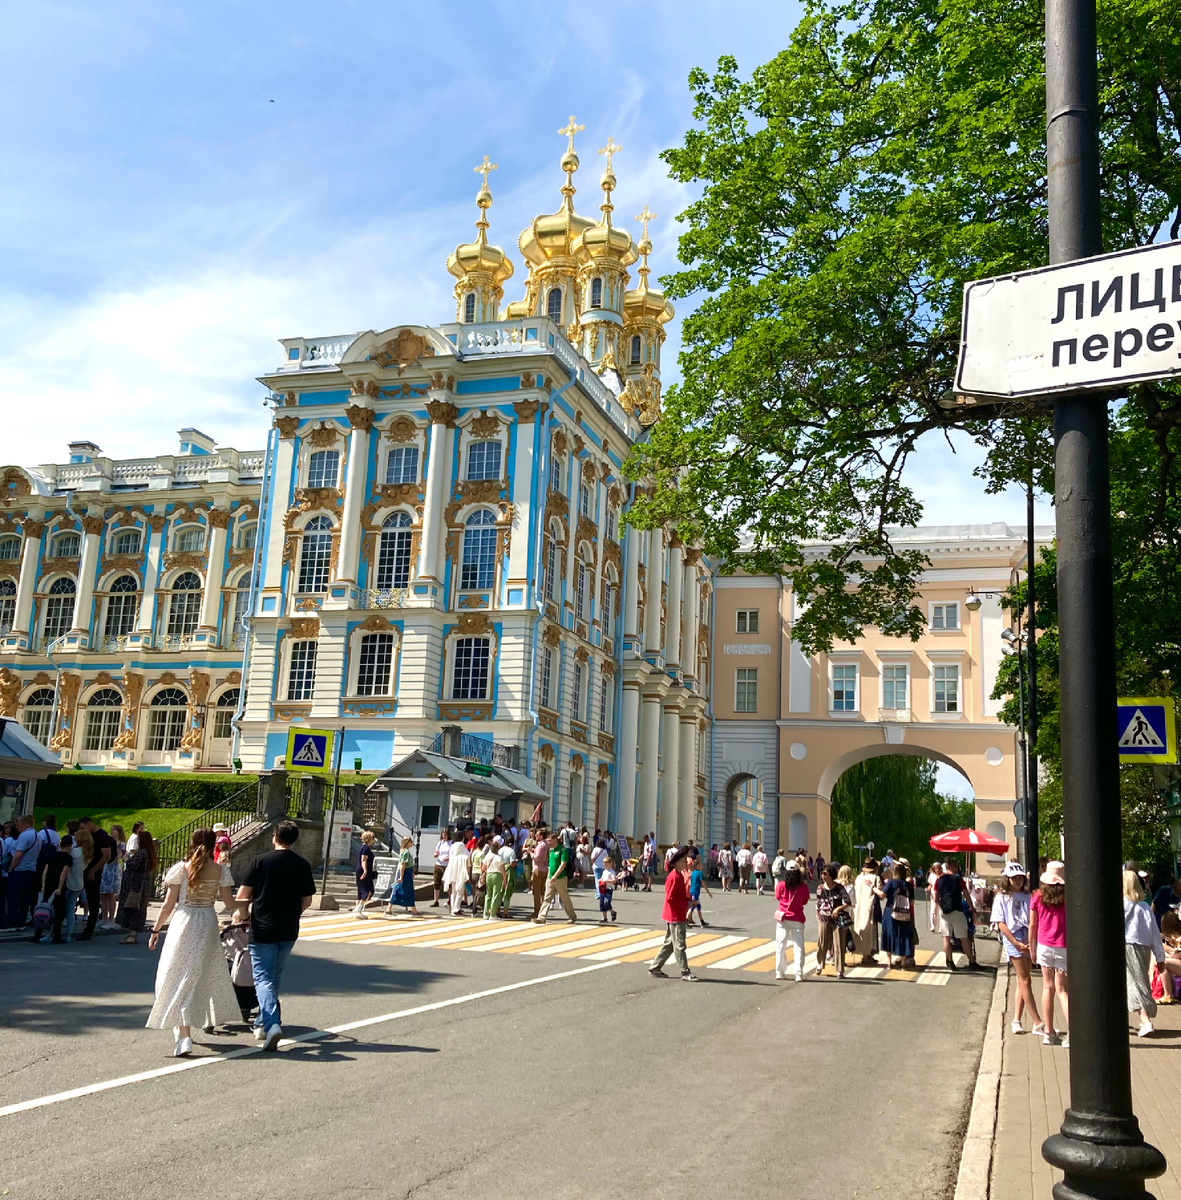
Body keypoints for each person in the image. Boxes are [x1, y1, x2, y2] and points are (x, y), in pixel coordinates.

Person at [147, 829, 239, 1057]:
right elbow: (229, 903)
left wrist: (156, 929)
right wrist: (247, 902)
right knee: (198, 976)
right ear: (213, 846)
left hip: (184, 921)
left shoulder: (181, 869)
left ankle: (184, 1035)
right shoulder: (221, 870)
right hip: (207, 922)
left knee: (175, 974)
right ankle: (187, 1029)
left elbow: (168, 905)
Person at [234, 820, 316, 1052]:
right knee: (274, 977)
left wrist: (243, 915)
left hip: (262, 928)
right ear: (294, 839)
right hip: (289, 929)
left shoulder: (260, 861)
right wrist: (294, 914)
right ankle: (261, 1022)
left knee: (262, 978)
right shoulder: (302, 864)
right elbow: (307, 899)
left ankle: (271, 1024)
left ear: (274, 837)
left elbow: (243, 895)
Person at [991, 862, 1043, 1035]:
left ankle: (1017, 1020)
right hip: (1013, 938)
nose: (1018, 880)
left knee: (1023, 981)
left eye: (1020, 877)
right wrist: (1014, 942)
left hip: (1028, 937)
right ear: (1008, 879)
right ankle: (1037, 1021)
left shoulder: (1028, 896)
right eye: (1014, 878)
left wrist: (1032, 940)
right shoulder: (1001, 897)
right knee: (1025, 979)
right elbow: (1000, 923)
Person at [1030, 860, 1069, 1047]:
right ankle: (1073, 1033)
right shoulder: (1068, 897)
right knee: (1062, 990)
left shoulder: (1037, 896)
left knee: (1047, 988)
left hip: (1044, 945)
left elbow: (1032, 925)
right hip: (1063, 945)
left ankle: (1049, 1032)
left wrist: (1032, 948)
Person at [1123, 869, 1166, 1038]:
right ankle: (1143, 1017)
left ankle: (1145, 1019)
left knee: (1134, 982)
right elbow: (1155, 932)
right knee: (1139, 980)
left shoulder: (1123, 905)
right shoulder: (1145, 907)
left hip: (1128, 945)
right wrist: (1160, 956)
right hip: (1144, 947)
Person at [649, 847, 697, 981]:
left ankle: (655, 967)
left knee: (670, 944)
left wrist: (689, 901)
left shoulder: (679, 875)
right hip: (675, 915)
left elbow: (679, 895)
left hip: (676, 914)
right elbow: (670, 898)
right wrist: (686, 904)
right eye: (682, 860)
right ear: (676, 863)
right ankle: (685, 972)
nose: (685, 863)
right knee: (680, 944)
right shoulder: (674, 877)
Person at [935, 859, 979, 971]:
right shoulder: (958, 880)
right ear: (953, 867)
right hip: (957, 911)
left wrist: (942, 906)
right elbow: (966, 895)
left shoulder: (939, 880)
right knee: (964, 938)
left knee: (946, 937)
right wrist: (972, 907)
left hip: (944, 912)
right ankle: (972, 962)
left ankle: (950, 962)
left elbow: (935, 898)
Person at [117, 830, 157, 944]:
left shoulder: (142, 852)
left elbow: (133, 865)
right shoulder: (148, 852)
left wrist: (125, 857)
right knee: (137, 907)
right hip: (141, 884)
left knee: (134, 906)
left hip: (136, 885)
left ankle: (133, 935)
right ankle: (131, 933)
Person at [77, 817, 113, 940]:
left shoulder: (101, 836)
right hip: (85, 869)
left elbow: (106, 856)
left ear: (89, 824)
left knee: (92, 900)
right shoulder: (91, 836)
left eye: (83, 827)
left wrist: (94, 870)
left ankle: (89, 930)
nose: (83, 830)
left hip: (93, 872)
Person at [774, 861, 811, 981]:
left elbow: (778, 897)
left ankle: (779, 972)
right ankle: (798, 973)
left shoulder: (781, 885)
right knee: (798, 946)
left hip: (783, 918)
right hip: (798, 919)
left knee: (780, 945)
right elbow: (805, 901)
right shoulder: (803, 887)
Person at [2, 815, 39, 929]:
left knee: (13, 896)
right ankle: (22, 919)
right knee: (25, 897)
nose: (17, 828)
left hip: (19, 869)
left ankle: (12, 920)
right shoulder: (38, 836)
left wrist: (10, 868)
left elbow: (18, 855)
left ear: (24, 824)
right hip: (31, 869)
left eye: (18, 825)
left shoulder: (24, 836)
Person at [815, 865, 851, 978]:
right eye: (822, 873)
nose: (823, 876)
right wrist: (818, 915)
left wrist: (838, 909)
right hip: (824, 918)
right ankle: (819, 964)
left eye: (825, 874)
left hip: (837, 919)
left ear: (831, 875)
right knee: (822, 943)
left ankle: (840, 970)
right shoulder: (820, 888)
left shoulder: (839, 888)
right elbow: (818, 903)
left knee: (839, 944)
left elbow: (848, 901)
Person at [882, 860, 917, 969]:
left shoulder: (891, 883)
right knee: (903, 936)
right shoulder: (908, 885)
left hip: (890, 912)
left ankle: (889, 961)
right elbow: (912, 902)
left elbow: (882, 895)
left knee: (889, 934)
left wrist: (873, 888)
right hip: (905, 914)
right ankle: (903, 962)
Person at [40, 834, 75, 945]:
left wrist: (43, 885)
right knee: (59, 913)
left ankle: (39, 931)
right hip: (59, 886)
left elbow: (45, 870)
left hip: (48, 884)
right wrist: (59, 888)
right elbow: (64, 873)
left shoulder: (52, 855)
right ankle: (56, 936)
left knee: (43, 909)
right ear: (70, 846)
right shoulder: (68, 858)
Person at [536, 832, 577, 924]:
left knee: (564, 898)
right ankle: (541, 917)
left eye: (550, 840)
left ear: (555, 840)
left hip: (560, 878)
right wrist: (549, 876)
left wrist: (555, 875)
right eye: (548, 841)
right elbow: (550, 865)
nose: (549, 842)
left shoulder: (563, 850)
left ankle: (572, 916)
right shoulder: (551, 851)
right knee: (547, 898)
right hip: (550, 878)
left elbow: (563, 864)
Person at [852, 858, 885, 965]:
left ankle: (863, 953)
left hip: (858, 906)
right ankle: (867, 955)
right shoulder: (876, 878)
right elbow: (880, 895)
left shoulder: (858, 878)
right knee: (870, 931)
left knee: (860, 929)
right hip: (870, 906)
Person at [99, 823, 126, 929]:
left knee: (110, 894)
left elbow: (117, 855)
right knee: (102, 894)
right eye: (111, 829)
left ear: (119, 832)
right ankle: (104, 918)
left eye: (114, 830)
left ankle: (111, 919)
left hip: (113, 868)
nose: (112, 831)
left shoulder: (121, 844)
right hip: (105, 867)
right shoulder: (108, 842)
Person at [388, 835, 418, 915]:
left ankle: (389, 907)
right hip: (406, 873)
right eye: (411, 842)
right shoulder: (406, 852)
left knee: (400, 890)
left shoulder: (403, 851)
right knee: (407, 890)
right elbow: (403, 864)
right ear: (407, 843)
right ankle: (413, 909)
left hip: (407, 872)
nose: (412, 843)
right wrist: (401, 876)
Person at [481, 838, 508, 920]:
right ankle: (492, 914)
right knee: (495, 895)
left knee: (488, 895)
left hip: (488, 874)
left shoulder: (487, 856)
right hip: (497, 875)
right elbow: (503, 869)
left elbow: (483, 867)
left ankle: (485, 913)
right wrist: (505, 879)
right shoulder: (499, 857)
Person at [443, 837, 471, 916]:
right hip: (461, 876)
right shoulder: (465, 857)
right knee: (460, 892)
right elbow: (468, 867)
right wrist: (468, 876)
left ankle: (453, 909)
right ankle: (456, 908)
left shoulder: (453, 858)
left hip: (453, 875)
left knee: (453, 892)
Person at [354, 830, 377, 918]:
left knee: (360, 891)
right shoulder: (366, 848)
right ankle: (358, 908)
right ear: (369, 839)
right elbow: (364, 860)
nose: (373, 840)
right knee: (368, 891)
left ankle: (358, 912)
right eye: (372, 838)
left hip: (359, 870)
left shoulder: (362, 847)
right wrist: (365, 870)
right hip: (364, 871)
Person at [686, 854, 712, 927]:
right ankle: (686, 920)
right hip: (696, 893)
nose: (702, 866)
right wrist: (708, 892)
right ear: (697, 866)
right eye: (700, 865)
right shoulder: (700, 873)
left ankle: (702, 921)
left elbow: (690, 882)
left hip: (692, 891)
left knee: (698, 907)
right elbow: (703, 883)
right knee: (692, 907)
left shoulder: (692, 873)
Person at [530, 830, 549, 920]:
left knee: (536, 892)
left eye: (537, 835)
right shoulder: (546, 844)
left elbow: (536, 858)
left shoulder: (541, 845)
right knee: (542, 891)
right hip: (544, 869)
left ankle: (537, 911)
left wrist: (531, 853)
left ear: (541, 836)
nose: (535, 836)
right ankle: (541, 910)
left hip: (538, 869)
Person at [432, 829, 451, 907]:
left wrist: (449, 858)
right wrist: (436, 854)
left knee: (446, 882)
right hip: (439, 863)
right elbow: (436, 851)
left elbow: (452, 853)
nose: (444, 836)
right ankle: (436, 901)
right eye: (443, 835)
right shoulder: (440, 843)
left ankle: (451, 899)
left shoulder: (451, 843)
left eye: (445, 835)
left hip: (447, 865)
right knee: (436, 882)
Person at [598, 859, 618, 923]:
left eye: (607, 863)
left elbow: (614, 880)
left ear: (610, 864)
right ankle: (604, 917)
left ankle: (612, 912)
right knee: (602, 903)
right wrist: (600, 880)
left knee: (606, 902)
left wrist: (606, 881)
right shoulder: (604, 871)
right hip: (603, 888)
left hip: (608, 889)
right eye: (604, 864)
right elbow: (602, 878)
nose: (605, 865)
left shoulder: (611, 872)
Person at [926, 862, 944, 933]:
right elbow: (930, 884)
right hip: (933, 895)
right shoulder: (932, 875)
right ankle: (933, 925)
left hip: (941, 895)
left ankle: (941, 927)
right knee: (933, 911)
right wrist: (928, 889)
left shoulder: (943, 875)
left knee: (941, 912)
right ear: (933, 869)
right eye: (936, 868)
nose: (937, 870)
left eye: (939, 868)